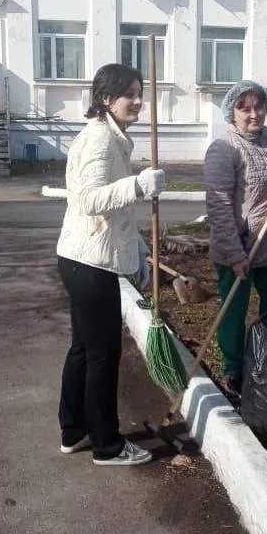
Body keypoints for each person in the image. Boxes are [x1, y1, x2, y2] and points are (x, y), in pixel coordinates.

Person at [56, 64, 166, 466]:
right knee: (102, 354)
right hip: (90, 263)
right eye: (129, 94)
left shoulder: (112, 137)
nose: (137, 100)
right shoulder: (101, 140)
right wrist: (138, 185)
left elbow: (113, 215)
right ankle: (107, 445)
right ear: (106, 99)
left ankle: (73, 430)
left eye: (140, 92)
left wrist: (139, 250)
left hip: (82, 257)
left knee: (84, 350)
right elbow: (89, 200)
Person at [203, 80, 267, 396]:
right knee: (233, 314)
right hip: (240, 250)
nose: (254, 114)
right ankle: (234, 371)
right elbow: (218, 208)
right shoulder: (223, 149)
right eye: (244, 108)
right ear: (232, 114)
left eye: (259, 106)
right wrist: (235, 255)